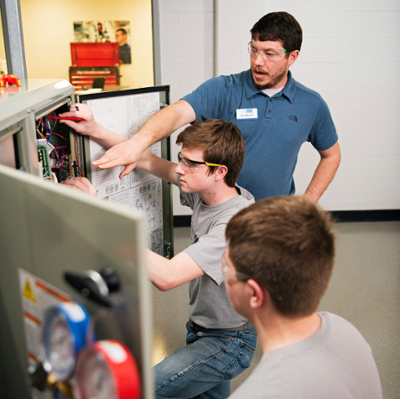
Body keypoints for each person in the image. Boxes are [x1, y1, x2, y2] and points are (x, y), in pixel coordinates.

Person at [63, 119, 257, 399]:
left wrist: (94, 213)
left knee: (142, 389)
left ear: (220, 172)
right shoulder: (209, 194)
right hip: (202, 331)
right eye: (181, 159)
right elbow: (146, 159)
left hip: (227, 343)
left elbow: (168, 277)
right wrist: (95, 130)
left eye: (191, 163)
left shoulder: (234, 224)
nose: (179, 168)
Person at [61, 11, 340, 203]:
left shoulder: (311, 104)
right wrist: (135, 141)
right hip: (217, 213)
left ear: (292, 57)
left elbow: (331, 155)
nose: (257, 61)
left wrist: (307, 204)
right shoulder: (224, 88)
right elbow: (176, 114)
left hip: (273, 219)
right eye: (253, 49)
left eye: (269, 54)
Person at [221, 195, 383, 399]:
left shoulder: (258, 393)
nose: (224, 274)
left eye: (227, 267)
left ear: (254, 294)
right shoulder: (345, 330)